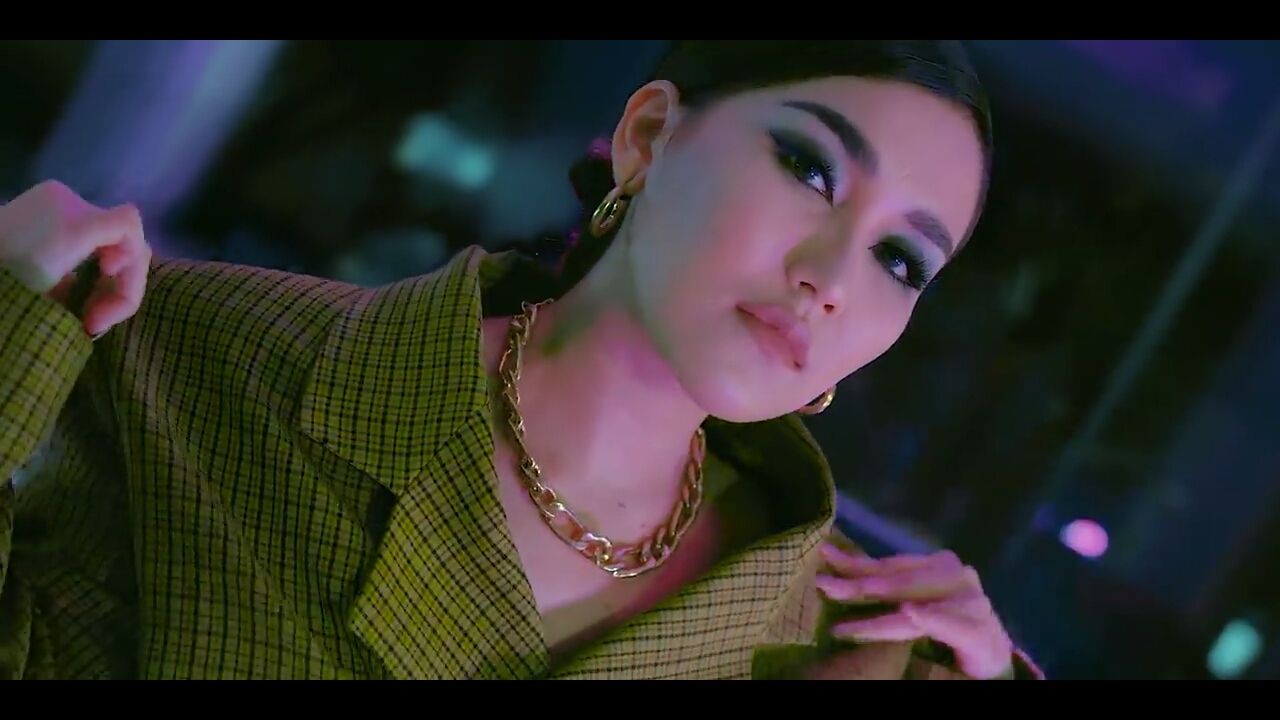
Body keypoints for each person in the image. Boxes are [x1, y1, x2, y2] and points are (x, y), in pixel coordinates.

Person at [0, 40, 1043, 680]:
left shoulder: (841, 635)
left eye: (901, 261)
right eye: (809, 169)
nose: (833, 276)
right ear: (648, 136)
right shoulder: (201, 361)